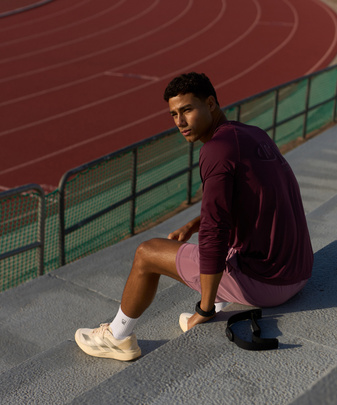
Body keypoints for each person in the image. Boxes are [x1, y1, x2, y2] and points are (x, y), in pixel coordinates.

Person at [75, 72, 313, 361]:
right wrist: (193, 224)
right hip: (299, 271)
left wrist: (204, 309)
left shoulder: (216, 150)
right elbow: (254, 201)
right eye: (174, 114)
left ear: (210, 104)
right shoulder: (253, 134)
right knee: (218, 237)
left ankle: (117, 336)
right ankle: (224, 300)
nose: (179, 121)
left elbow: (215, 231)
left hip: (269, 284)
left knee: (147, 253)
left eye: (187, 110)